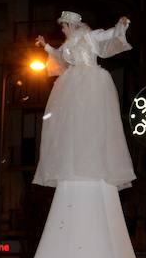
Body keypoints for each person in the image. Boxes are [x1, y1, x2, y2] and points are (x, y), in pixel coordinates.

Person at [35, 12, 134, 189]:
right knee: (71, 121)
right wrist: (46, 46)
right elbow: (59, 57)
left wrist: (121, 26)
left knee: (90, 118)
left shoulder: (89, 36)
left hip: (91, 80)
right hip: (72, 82)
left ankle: (92, 161)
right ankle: (73, 160)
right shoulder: (67, 44)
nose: (63, 29)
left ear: (71, 25)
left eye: (64, 26)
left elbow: (108, 34)